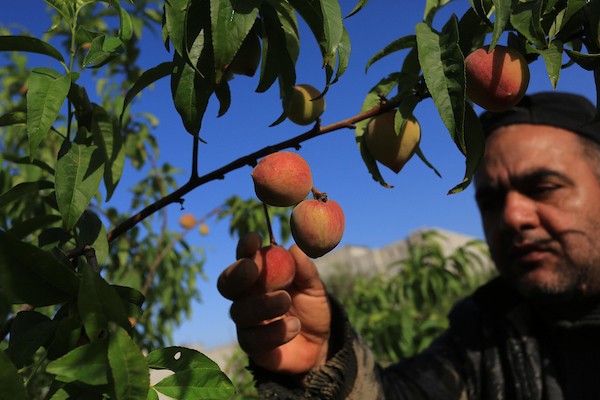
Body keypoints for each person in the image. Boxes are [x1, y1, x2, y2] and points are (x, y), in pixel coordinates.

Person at [217, 91, 600, 399]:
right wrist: (322, 364)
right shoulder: (482, 333)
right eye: (491, 199)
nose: (513, 216)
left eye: (543, 187)